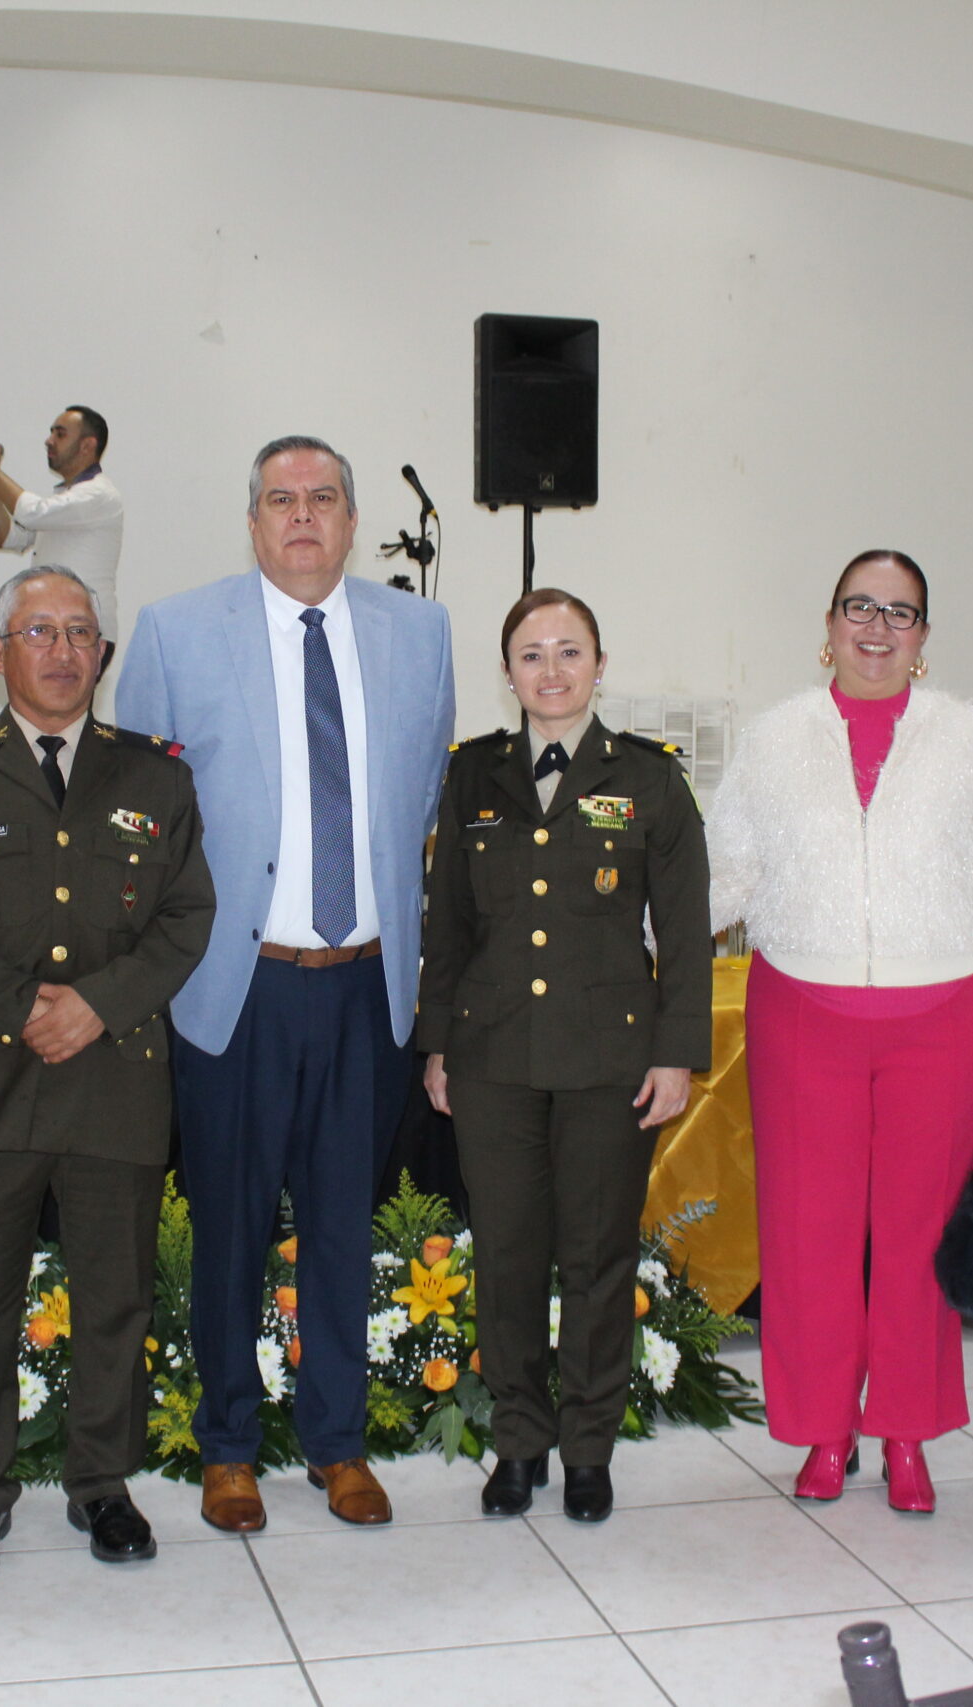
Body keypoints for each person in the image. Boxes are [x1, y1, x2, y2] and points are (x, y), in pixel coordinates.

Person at [119, 435, 455, 1533]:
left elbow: (423, 803)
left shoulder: (420, 634)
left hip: (367, 988)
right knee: (230, 1227)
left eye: (322, 498)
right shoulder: (176, 631)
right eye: (280, 499)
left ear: (352, 522)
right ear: (253, 521)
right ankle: (227, 1447)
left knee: (343, 1224)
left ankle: (337, 1441)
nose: (302, 516)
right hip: (238, 986)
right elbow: (141, 818)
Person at [705, 548, 973, 1516]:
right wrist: (632, 927)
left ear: (923, 638)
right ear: (827, 627)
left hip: (941, 1020)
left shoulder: (972, 739)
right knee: (807, 1236)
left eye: (899, 613)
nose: (876, 627)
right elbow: (729, 873)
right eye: (859, 607)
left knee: (918, 1239)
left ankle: (906, 1431)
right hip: (801, 1014)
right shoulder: (775, 738)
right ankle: (823, 1430)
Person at [0, 566, 216, 1580]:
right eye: (39, 631)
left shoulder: (156, 777)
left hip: (115, 1072)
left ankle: (101, 1483)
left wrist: (98, 1004)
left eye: (79, 633)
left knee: (114, 1295)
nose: (63, 650)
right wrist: (22, 1004)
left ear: (101, 654)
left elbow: (187, 916)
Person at [419, 588, 711, 1523]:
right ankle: (518, 1441)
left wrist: (676, 1052)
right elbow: (447, 920)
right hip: (493, 1056)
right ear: (508, 673)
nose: (552, 670)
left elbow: (686, 930)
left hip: (607, 1060)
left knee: (596, 1258)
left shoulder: (651, 779)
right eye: (532, 654)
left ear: (600, 664)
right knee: (507, 1256)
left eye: (569, 651)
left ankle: (588, 1447)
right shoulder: (473, 773)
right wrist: (438, 1044)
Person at [0, 406, 124, 665]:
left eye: (60, 434)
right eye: (51, 433)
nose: (49, 441)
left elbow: (31, 513)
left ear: (87, 445)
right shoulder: (66, 498)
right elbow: (8, 537)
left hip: (84, 631)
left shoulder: (98, 494)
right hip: (61, 628)